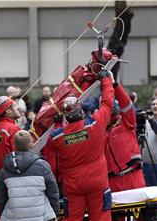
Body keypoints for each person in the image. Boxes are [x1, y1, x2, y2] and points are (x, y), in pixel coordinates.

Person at [47, 69, 114, 221]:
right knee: (101, 217)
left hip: (73, 185)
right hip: (97, 181)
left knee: (73, 219)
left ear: (65, 116)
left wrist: (58, 124)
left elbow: (50, 147)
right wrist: (106, 81)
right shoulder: (95, 123)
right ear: (81, 110)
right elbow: (107, 103)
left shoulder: (57, 136)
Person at [0, 130, 59, 221]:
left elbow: (1, 198)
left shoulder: (5, 169)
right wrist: (54, 212)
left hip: (14, 217)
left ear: (14, 146)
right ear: (32, 145)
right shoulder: (42, 166)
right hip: (41, 216)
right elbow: (53, 192)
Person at [105, 82, 145, 193]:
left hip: (133, 179)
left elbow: (127, 105)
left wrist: (114, 85)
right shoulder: (100, 131)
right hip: (112, 184)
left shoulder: (126, 124)